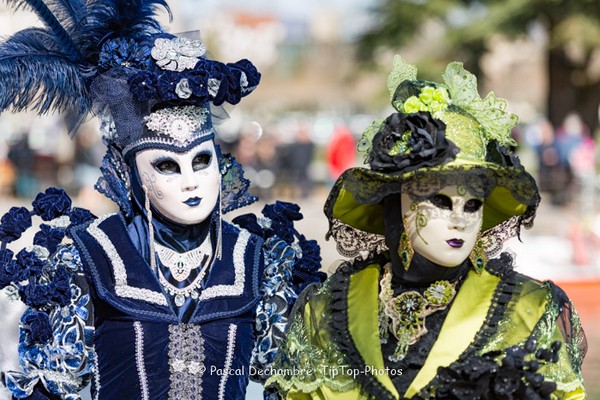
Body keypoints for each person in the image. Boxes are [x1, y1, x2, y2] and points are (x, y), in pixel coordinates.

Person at [0, 1, 324, 399]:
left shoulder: (256, 262)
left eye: (202, 161)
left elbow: (289, 387)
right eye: (168, 166)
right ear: (131, 172)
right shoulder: (90, 259)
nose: (192, 182)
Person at [265, 56, 587, 399]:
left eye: (473, 204)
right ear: (395, 204)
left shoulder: (527, 311)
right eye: (440, 201)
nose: (460, 218)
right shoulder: (327, 311)